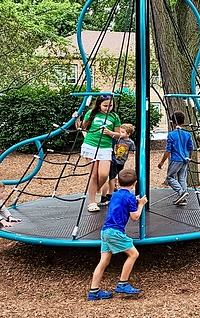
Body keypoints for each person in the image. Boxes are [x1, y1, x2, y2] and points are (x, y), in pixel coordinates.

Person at [88, 168, 148, 300]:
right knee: (134, 254)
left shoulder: (114, 194)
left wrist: (134, 201)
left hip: (105, 231)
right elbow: (135, 217)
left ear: (117, 183)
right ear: (135, 183)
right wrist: (141, 204)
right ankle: (122, 283)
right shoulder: (131, 197)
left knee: (103, 261)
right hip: (115, 232)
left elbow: (122, 203)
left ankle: (93, 291)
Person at [74, 95, 127, 212]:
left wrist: (109, 132)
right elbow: (82, 128)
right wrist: (76, 119)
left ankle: (97, 190)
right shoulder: (91, 114)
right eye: (105, 106)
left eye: (110, 105)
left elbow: (119, 135)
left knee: (103, 174)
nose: (108, 108)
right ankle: (92, 202)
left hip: (105, 148)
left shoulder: (114, 117)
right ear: (99, 104)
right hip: (90, 146)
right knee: (93, 175)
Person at [157, 112, 195, 206]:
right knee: (182, 177)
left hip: (176, 160)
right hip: (185, 159)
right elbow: (191, 148)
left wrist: (162, 162)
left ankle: (181, 192)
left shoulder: (171, 135)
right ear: (183, 122)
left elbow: (168, 150)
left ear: (172, 122)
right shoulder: (187, 134)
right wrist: (189, 157)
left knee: (170, 177)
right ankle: (183, 197)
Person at [103, 123, 136, 203]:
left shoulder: (130, 142)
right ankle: (113, 186)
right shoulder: (118, 139)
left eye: (122, 132)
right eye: (120, 132)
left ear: (128, 134)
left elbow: (133, 150)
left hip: (121, 162)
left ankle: (115, 186)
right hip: (115, 160)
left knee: (119, 174)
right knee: (113, 175)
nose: (120, 133)